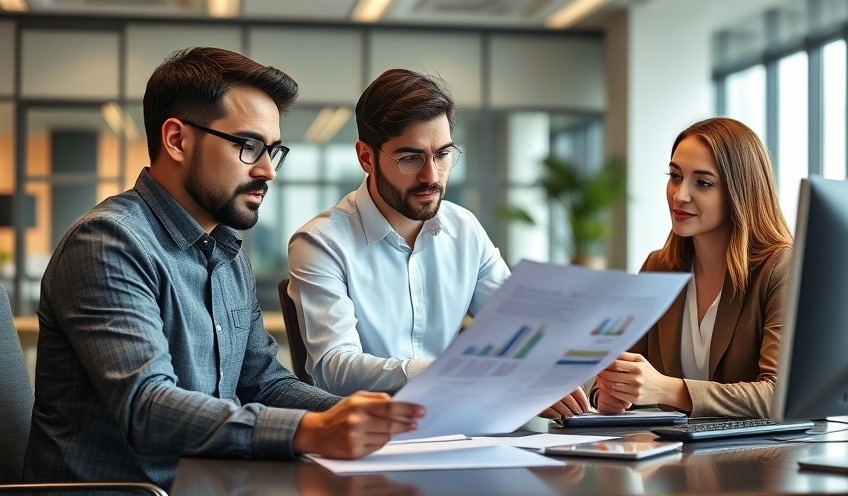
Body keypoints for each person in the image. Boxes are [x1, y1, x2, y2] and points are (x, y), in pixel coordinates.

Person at [23, 47, 424, 489]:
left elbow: (264, 384)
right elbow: (148, 409)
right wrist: (309, 431)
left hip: (205, 481)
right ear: (177, 140)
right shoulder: (107, 243)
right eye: (249, 147)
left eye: (273, 151)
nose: (269, 171)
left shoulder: (226, 251)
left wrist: (375, 420)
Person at [287, 68, 586, 418]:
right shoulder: (320, 243)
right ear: (366, 157)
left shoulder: (464, 230)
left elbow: (519, 328)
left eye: (442, 155)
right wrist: (460, 373)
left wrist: (547, 372)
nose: (431, 176)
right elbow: (334, 368)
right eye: (410, 158)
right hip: (367, 437)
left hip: (460, 424)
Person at [592, 117, 792, 418]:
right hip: (671, 456)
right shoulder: (659, 266)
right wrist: (608, 395)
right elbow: (618, 365)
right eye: (675, 176)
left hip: (756, 458)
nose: (680, 195)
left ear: (741, 192)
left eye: (703, 183)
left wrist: (667, 389)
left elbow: (780, 395)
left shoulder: (779, 267)